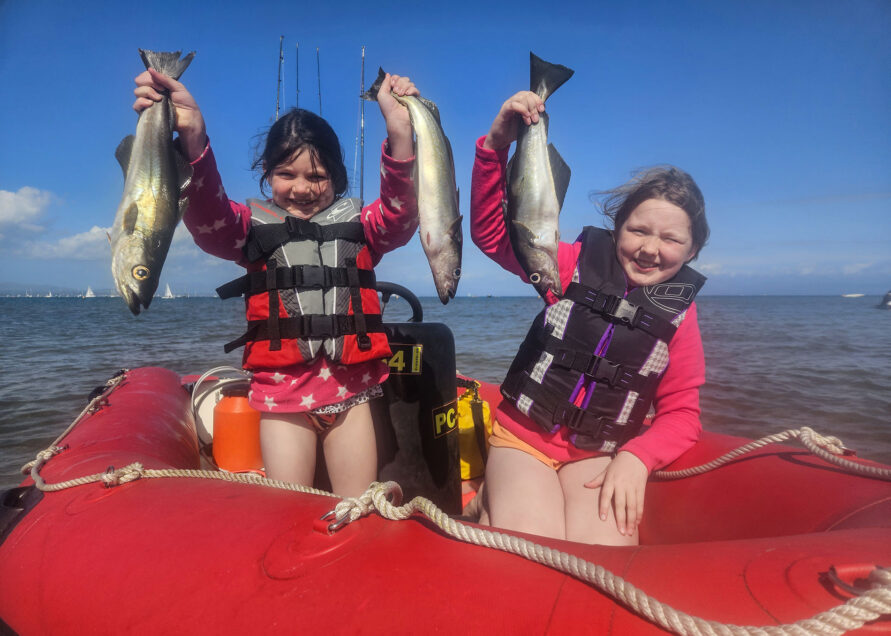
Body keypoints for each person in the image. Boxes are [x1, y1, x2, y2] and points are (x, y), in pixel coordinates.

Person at [133, 67, 420, 497]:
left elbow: (400, 217)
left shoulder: (364, 226)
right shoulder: (250, 228)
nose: (302, 188)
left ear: (336, 178)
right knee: (287, 509)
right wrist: (192, 136)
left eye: (317, 176)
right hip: (282, 401)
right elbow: (210, 221)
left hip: (352, 396)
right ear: (267, 173)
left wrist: (399, 132)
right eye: (287, 174)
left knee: (358, 507)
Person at [470, 90, 709, 545]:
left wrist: (638, 457)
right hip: (523, 439)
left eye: (671, 239)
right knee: (532, 549)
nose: (650, 248)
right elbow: (493, 234)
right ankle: (492, 498)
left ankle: (491, 504)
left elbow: (682, 415)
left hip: (600, 453)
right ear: (618, 227)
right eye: (638, 230)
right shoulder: (567, 264)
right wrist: (495, 148)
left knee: (604, 557)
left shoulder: (680, 317)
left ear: (693, 249)